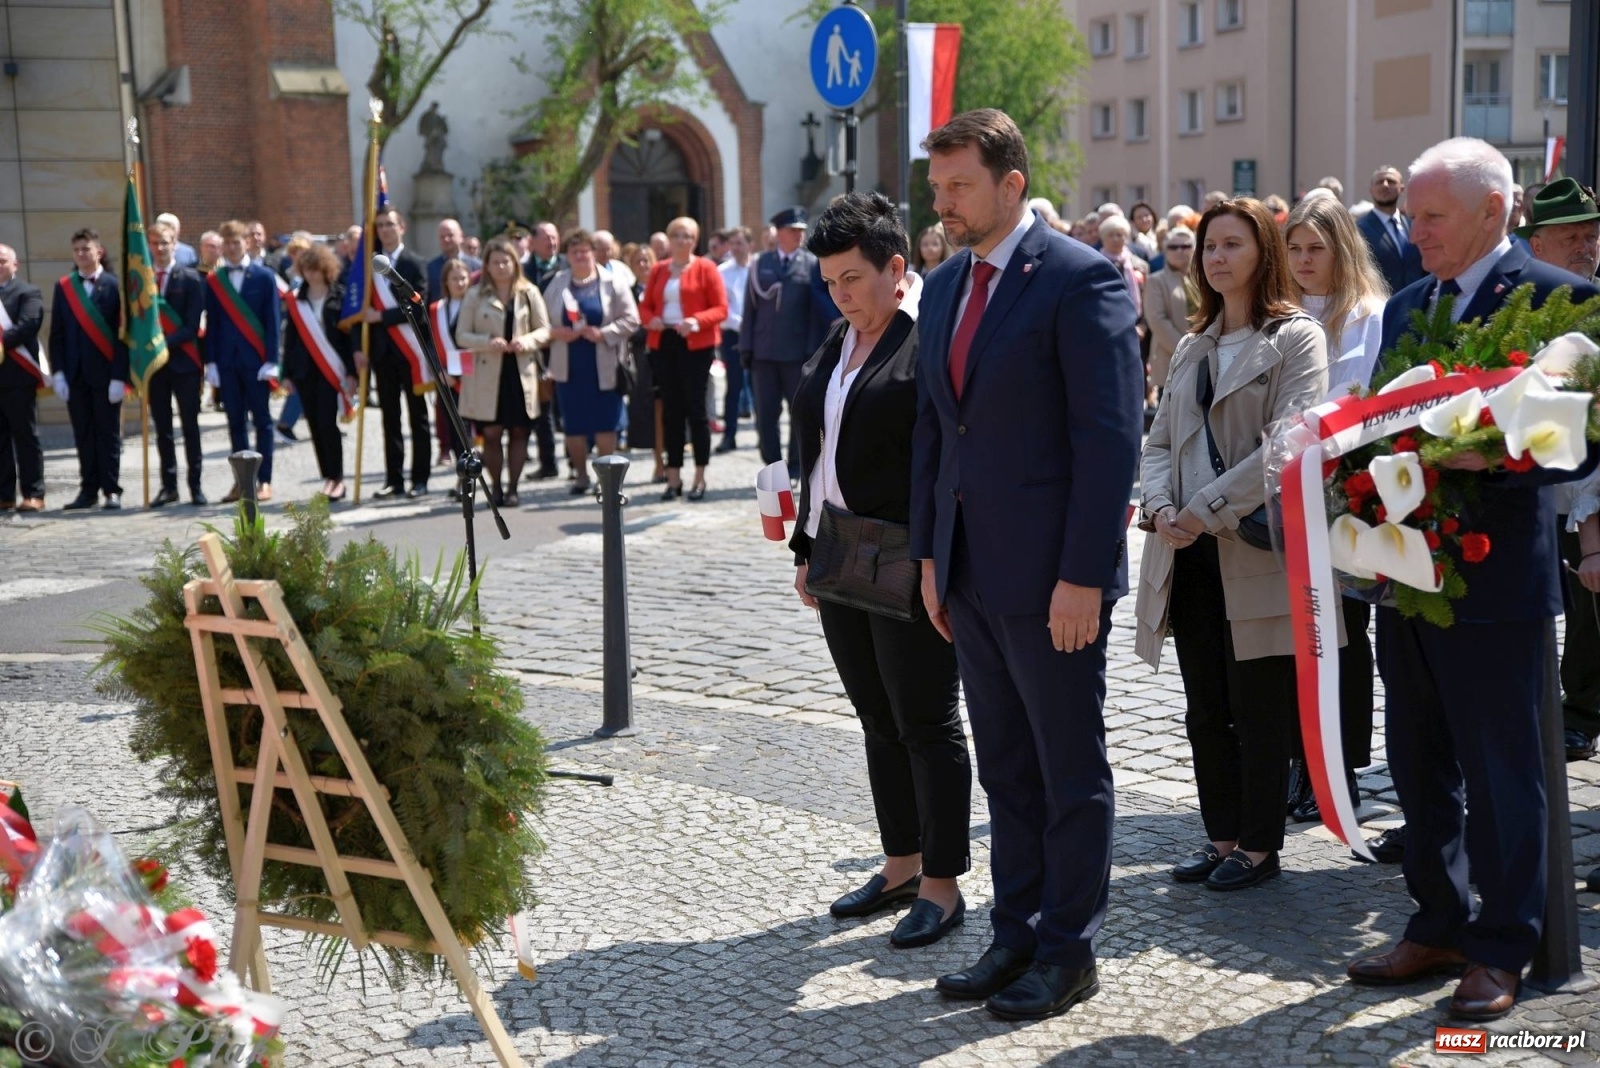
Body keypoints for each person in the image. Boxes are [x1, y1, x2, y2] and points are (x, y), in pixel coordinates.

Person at [1345, 137, 1600, 1022]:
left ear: (1496, 210)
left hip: (1495, 579)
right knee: (1418, 764)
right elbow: (1378, 418)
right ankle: (1439, 918)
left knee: (1502, 774)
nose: (1412, 234)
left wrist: (1485, 450)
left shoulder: (1564, 300)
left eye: (1430, 218)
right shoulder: (1409, 300)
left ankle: (1502, 945)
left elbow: (1583, 442)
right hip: (1405, 571)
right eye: (1410, 216)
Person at [911, 109, 1143, 1020]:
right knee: (1004, 765)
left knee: (1066, 768)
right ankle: (1013, 934)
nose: (944, 204)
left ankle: (1067, 947)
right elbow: (937, 430)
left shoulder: (1082, 281)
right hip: (967, 574)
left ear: (1011, 184)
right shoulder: (941, 286)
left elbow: (1109, 439)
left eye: (958, 186)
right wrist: (931, 557)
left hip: (1054, 581)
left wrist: (1084, 573)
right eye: (937, 189)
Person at [791, 191, 973, 947]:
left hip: (907, 553)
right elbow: (818, 455)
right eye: (831, 281)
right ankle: (900, 862)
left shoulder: (927, 341)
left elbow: (948, 465)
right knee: (875, 718)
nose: (842, 294)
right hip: (838, 549)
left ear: (897, 269)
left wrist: (937, 561)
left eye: (854, 279)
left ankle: (944, 882)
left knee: (926, 720)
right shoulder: (838, 339)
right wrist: (805, 549)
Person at [1136, 197, 1328, 894]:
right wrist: (1159, 507)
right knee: (1204, 703)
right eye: (1209, 246)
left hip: (1251, 550)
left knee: (1259, 703)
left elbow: (1290, 442)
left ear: (1262, 254)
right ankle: (1220, 836)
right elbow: (1157, 439)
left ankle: (1258, 844)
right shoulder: (1192, 343)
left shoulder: (1296, 337)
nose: (1216, 257)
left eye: (1231, 245)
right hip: (1183, 551)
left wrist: (1203, 508)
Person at [1282, 194, 1389, 824]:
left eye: (1315, 248)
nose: (1302, 261)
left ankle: (1341, 767)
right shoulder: (1281, 310)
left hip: (1345, 489)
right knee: (1297, 635)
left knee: (1343, 634)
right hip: (1283, 489)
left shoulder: (1368, 313)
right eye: (1293, 248)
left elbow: (1360, 393)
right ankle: (1300, 760)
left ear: (1340, 248)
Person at [1517, 179, 1600, 787]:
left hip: (1588, 495)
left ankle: (1580, 713)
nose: (1585, 247)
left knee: (1589, 614)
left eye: (1592, 235)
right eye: (1570, 236)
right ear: (1537, 243)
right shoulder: (1519, 308)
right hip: (1527, 492)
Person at [739, 207, 840, 481]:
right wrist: (745, 347)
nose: (799, 235)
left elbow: (813, 311)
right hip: (764, 353)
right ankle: (773, 468)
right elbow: (751, 309)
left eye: (801, 230)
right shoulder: (761, 263)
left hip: (798, 354)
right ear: (779, 232)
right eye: (793, 230)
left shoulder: (811, 263)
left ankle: (796, 466)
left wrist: (812, 351)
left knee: (799, 414)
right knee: (766, 415)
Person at [543, 229, 640, 495]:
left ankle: (605, 478)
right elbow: (541, 321)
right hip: (569, 363)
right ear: (567, 256)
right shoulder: (556, 283)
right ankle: (581, 476)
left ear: (593, 253)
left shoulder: (613, 281)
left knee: (605, 422)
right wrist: (556, 332)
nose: (580, 256)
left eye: (584, 251)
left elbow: (632, 319)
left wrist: (604, 334)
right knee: (573, 423)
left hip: (604, 362)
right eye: (574, 252)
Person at [457, 236, 551, 507]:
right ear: (486, 265)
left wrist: (527, 341)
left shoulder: (528, 292)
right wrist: (487, 342)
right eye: (495, 262)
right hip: (488, 372)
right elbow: (461, 334)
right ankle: (495, 487)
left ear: (514, 263)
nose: (500, 266)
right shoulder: (475, 295)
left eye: (505, 261)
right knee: (492, 434)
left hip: (520, 370)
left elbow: (545, 329)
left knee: (520, 431)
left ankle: (513, 488)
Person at [638, 216, 727, 501]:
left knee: (696, 411)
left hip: (696, 344)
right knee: (671, 412)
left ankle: (699, 477)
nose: (681, 240)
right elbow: (645, 306)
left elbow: (721, 308)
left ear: (695, 240)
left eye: (687, 236)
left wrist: (697, 320)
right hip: (664, 342)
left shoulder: (706, 268)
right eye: (677, 235)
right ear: (669, 238)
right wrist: (650, 319)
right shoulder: (659, 270)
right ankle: (672, 477)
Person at [50, 228, 129, 510]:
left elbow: (122, 336)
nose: (81, 254)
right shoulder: (64, 286)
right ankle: (88, 490)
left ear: (99, 252)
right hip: (75, 374)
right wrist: (58, 372)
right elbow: (57, 333)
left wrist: (120, 376)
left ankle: (111, 489)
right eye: (77, 250)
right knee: (83, 434)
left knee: (107, 434)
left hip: (107, 373)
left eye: (86, 249)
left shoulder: (114, 285)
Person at [205, 220, 282, 502]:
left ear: (247, 242)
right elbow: (212, 323)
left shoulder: (263, 277)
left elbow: (272, 321)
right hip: (227, 362)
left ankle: (264, 481)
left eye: (236, 242)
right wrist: (210, 362)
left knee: (262, 422)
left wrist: (273, 359)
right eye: (226, 243)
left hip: (256, 362)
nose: (232, 248)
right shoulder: (215, 280)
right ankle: (241, 482)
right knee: (235, 422)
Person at [360, 207, 432, 499]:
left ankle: (420, 479)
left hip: (411, 351)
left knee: (418, 418)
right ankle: (394, 480)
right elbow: (362, 310)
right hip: (382, 353)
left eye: (390, 224)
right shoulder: (369, 267)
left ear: (401, 226)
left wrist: (383, 317)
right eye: (381, 225)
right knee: (390, 418)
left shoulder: (415, 263)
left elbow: (419, 304)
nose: (386, 229)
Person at [282, 244, 354, 501]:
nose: (311, 275)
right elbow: (290, 340)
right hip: (304, 370)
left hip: (332, 369)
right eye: (307, 270)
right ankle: (328, 477)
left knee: (327, 423)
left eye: (315, 270)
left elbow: (349, 339)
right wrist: (286, 374)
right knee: (313, 424)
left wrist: (352, 373)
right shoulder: (296, 299)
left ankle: (338, 478)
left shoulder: (340, 296)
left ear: (326, 269)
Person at [146, 221, 208, 506]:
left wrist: (159, 345)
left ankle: (195, 485)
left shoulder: (192, 278)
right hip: (155, 368)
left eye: (165, 242)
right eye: (155, 243)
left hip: (185, 363)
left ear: (175, 244)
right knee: (163, 429)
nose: (160, 248)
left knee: (190, 426)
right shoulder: (143, 281)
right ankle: (168, 485)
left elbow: (192, 326)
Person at [0, 243, 44, 511]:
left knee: (25, 437)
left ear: (15, 265)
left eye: (2, 260)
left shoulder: (27, 292)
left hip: (18, 378)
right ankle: (4, 494)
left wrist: (1, 340)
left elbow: (28, 324)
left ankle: (33, 493)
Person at [521, 220, 565, 481]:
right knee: (542, 406)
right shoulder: (523, 271)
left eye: (554, 236)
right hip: (536, 347)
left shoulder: (567, 267)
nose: (552, 242)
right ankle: (548, 462)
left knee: (569, 407)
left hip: (563, 344)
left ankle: (575, 462)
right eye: (546, 237)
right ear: (533, 242)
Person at [430, 257, 474, 499]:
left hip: (473, 377)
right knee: (457, 430)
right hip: (446, 378)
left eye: (464, 277)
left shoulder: (477, 305)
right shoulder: (437, 309)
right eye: (455, 278)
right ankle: (463, 477)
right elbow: (432, 344)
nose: (460, 282)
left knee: (475, 430)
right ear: (446, 281)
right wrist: (441, 372)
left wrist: (461, 375)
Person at [1143, 225, 1196, 407]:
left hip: (1206, 358)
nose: (1180, 250)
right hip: (1171, 357)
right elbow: (1157, 320)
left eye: (1186, 246)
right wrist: (1188, 351)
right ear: (1165, 250)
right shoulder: (1156, 280)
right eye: (1174, 247)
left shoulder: (1204, 279)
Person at [1357, 166, 1426, 295]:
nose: (1385, 185)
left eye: (1391, 181)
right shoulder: (1359, 230)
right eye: (1379, 182)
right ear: (1371, 190)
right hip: (1382, 307)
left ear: (1402, 188)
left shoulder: (1414, 225)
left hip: (1418, 306)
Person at [715, 226, 752, 453]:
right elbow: (722, 306)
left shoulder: (758, 268)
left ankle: (766, 436)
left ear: (750, 245)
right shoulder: (722, 272)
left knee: (762, 387)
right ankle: (730, 435)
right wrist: (741, 324)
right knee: (734, 385)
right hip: (732, 334)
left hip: (758, 335)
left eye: (740, 243)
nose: (736, 248)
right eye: (733, 244)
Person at [427, 218, 482, 303]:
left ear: (461, 237)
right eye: (442, 237)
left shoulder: (477, 266)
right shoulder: (430, 268)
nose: (446, 239)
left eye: (450, 235)